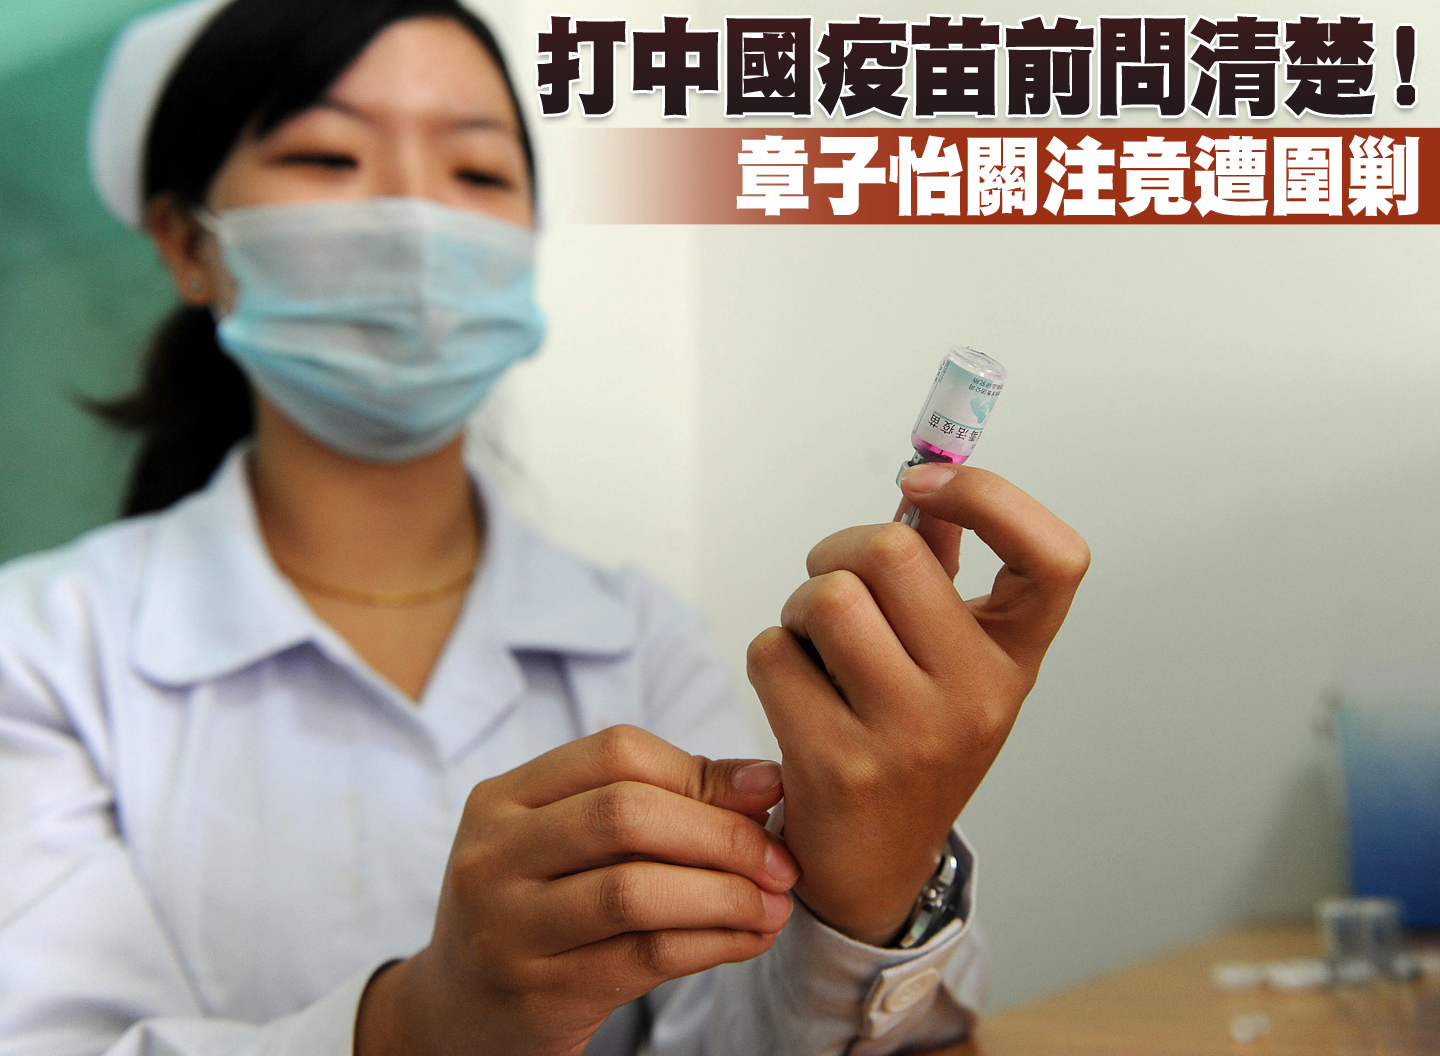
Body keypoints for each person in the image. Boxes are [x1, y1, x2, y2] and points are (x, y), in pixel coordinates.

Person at [0, 1, 1090, 1054]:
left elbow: (739, 1030)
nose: (417, 222)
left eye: (477, 173)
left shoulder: (638, 639)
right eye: (329, 157)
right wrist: (419, 1028)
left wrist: (869, 883)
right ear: (188, 245)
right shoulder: (40, 650)